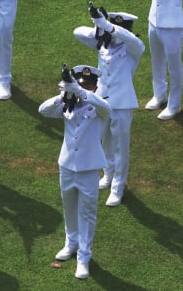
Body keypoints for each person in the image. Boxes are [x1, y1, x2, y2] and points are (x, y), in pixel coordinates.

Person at [39, 65, 110, 280]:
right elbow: (42, 110)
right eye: (80, 84)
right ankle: (71, 243)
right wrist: (63, 95)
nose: (83, 87)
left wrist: (80, 92)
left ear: (95, 86)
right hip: (67, 165)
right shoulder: (68, 103)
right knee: (69, 207)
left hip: (88, 167)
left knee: (87, 213)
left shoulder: (99, 104)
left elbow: (107, 109)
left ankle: (84, 257)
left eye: (87, 85)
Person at [73, 4, 144, 206]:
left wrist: (109, 27)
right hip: (102, 100)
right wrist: (98, 27)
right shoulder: (102, 45)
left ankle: (118, 187)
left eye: (116, 29)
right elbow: (77, 32)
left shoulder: (133, 49)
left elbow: (134, 41)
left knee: (121, 146)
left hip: (122, 102)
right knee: (104, 140)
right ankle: (108, 174)